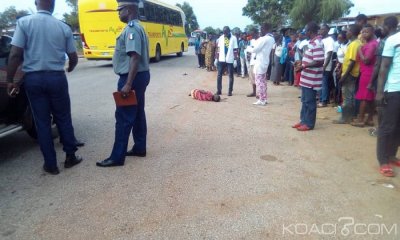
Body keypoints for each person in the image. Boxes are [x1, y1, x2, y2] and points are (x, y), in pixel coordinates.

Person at [6, 0, 82, 175]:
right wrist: (70, 67)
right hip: (57, 78)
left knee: (42, 122)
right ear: (53, 5)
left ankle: (51, 164)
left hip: (34, 79)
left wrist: (10, 79)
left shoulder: (24, 23)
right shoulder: (63, 27)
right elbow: (73, 56)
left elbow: (15, 53)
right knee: (63, 117)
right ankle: (70, 157)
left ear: (36, 3)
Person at [97, 0, 150, 167]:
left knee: (123, 116)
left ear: (128, 9)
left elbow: (134, 57)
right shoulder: (139, 27)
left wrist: (127, 84)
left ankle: (117, 157)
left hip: (131, 78)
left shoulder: (132, 29)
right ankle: (139, 147)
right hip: (140, 76)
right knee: (138, 113)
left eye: (120, 9)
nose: (118, 13)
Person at [375, 18, 400, 177]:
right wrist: (379, 92)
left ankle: (391, 155)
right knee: (388, 127)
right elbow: (383, 67)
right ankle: (383, 160)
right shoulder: (393, 40)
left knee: (399, 127)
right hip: (394, 89)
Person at [292, 22, 324, 131]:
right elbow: (311, 59)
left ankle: (309, 124)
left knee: (310, 102)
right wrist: (301, 63)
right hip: (306, 78)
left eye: (306, 30)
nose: (305, 32)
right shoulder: (312, 43)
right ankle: (303, 121)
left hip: (312, 79)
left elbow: (319, 61)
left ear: (310, 31)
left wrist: (303, 66)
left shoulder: (317, 44)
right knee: (305, 101)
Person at [333, 24, 362, 124]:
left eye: (348, 31)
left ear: (352, 32)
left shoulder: (354, 44)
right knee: (351, 96)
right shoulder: (356, 43)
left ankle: (345, 118)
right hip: (351, 74)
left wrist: (343, 76)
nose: (347, 32)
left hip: (349, 75)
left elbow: (352, 62)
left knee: (347, 97)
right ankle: (350, 116)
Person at [352, 24, 378, 127]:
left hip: (367, 72)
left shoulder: (371, 45)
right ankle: (370, 119)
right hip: (370, 72)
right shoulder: (372, 43)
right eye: (362, 32)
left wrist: (359, 51)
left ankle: (361, 119)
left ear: (372, 32)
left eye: (366, 32)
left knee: (364, 97)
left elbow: (366, 60)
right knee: (370, 97)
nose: (363, 34)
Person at [248, 23, 275, 106]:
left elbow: (255, 49)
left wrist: (248, 48)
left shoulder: (265, 39)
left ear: (265, 29)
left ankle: (261, 99)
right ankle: (264, 98)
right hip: (265, 61)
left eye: (261, 29)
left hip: (260, 62)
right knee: (263, 82)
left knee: (259, 82)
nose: (260, 31)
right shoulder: (272, 38)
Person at [215, 26, 238, 96]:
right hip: (221, 59)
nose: (225, 34)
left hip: (230, 59)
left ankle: (230, 91)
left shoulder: (233, 38)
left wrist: (235, 60)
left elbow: (235, 49)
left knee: (231, 75)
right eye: (224, 33)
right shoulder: (221, 38)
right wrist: (216, 58)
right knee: (219, 75)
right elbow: (218, 49)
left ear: (229, 31)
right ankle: (219, 90)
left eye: (226, 33)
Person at [318, 24, 335, 107]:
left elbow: (329, 54)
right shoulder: (322, 40)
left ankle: (323, 101)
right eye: (320, 29)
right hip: (321, 65)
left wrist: (324, 67)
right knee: (321, 83)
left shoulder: (329, 40)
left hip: (326, 65)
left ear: (327, 30)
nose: (321, 31)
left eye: (323, 29)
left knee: (323, 84)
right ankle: (322, 99)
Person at [244, 27, 259, 97]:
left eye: (252, 34)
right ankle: (254, 92)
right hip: (252, 61)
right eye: (251, 34)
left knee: (258, 78)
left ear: (256, 33)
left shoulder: (260, 40)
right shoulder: (251, 41)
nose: (251, 35)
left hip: (258, 61)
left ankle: (259, 93)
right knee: (252, 78)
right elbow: (249, 50)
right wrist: (248, 58)